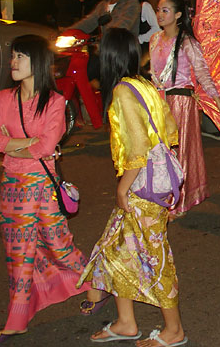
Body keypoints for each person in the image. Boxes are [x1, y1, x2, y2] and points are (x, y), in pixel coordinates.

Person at [78, 28, 188, 346]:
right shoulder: (144, 85)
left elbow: (138, 152)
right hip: (153, 184)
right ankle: (126, 322)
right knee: (115, 251)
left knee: (155, 258)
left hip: (141, 188)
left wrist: (122, 190)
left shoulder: (124, 92)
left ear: (110, 56)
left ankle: (174, 330)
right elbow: (169, 132)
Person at [0, 35, 87, 344]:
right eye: (13, 56)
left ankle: (97, 285)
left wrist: (14, 145)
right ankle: (16, 320)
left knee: (60, 248)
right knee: (18, 254)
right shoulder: (4, 98)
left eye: (21, 57)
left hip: (42, 188)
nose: (13, 62)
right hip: (12, 189)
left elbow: (46, 145)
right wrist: (26, 145)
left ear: (37, 62)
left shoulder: (56, 102)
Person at [150, 0, 220, 214]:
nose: (159, 14)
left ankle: (180, 201)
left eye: (165, 10)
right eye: (158, 10)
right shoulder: (155, 39)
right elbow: (154, 74)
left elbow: (203, 73)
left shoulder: (187, 41)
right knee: (158, 152)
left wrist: (219, 102)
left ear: (177, 15)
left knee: (179, 151)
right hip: (159, 102)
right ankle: (161, 195)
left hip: (181, 103)